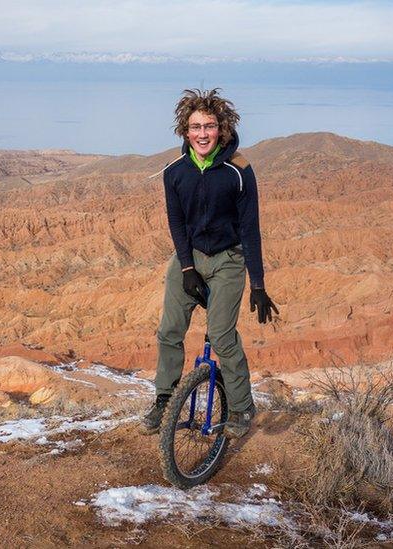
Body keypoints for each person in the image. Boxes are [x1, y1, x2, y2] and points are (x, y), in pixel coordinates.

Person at [141, 88, 278, 439]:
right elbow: (176, 223)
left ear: (222, 129)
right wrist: (186, 268)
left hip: (228, 260)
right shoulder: (175, 172)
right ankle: (164, 399)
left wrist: (258, 285)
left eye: (210, 126)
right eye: (196, 126)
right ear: (185, 131)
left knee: (221, 335)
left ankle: (242, 406)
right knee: (169, 330)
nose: (203, 133)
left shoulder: (239, 171)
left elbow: (250, 228)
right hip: (190, 257)